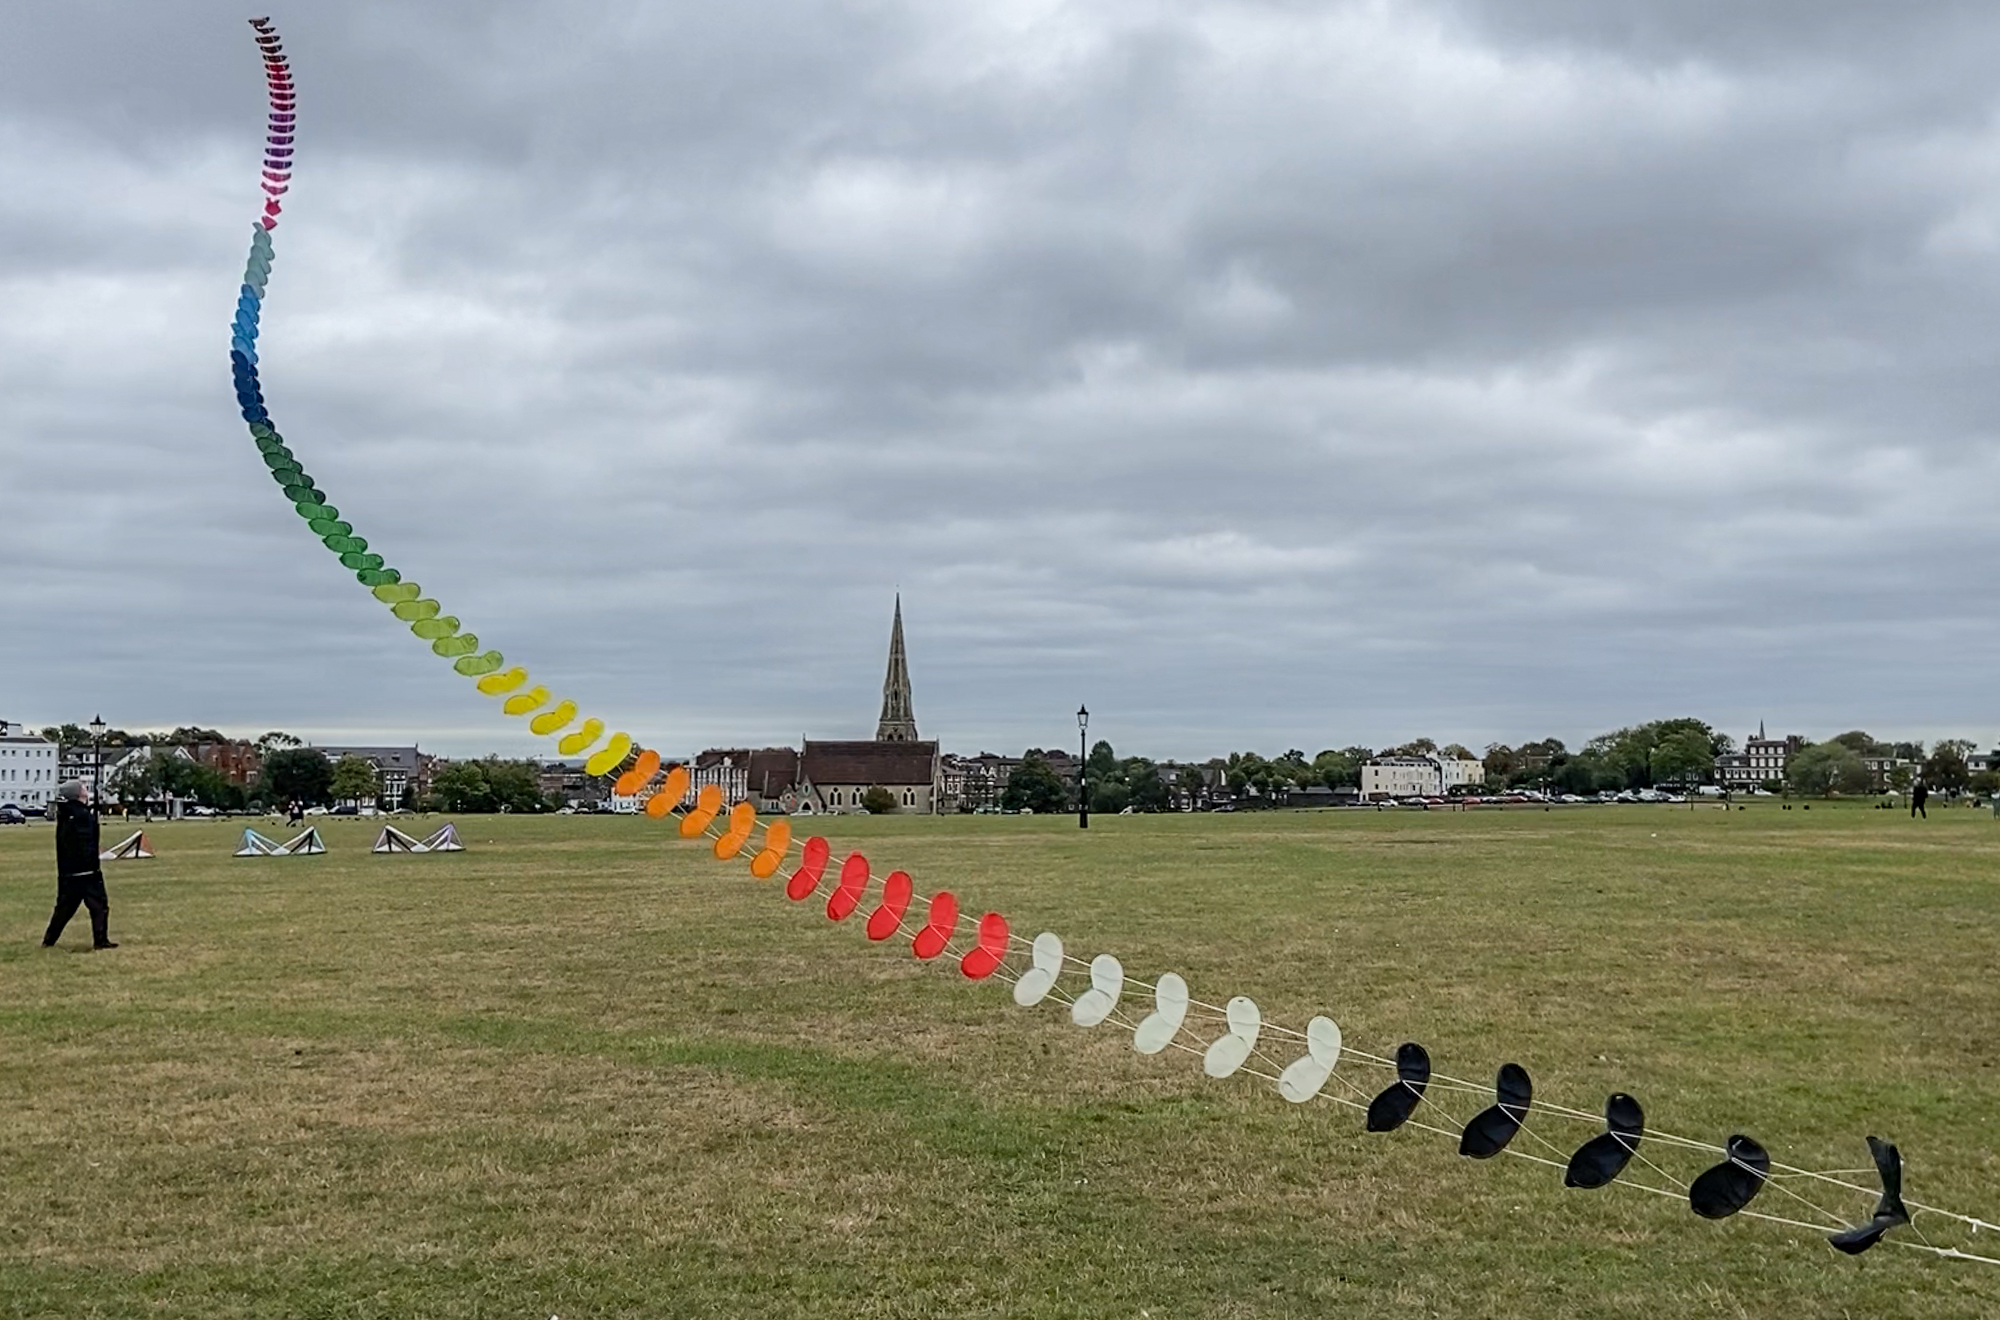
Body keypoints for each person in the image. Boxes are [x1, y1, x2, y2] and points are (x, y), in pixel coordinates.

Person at [44, 781, 116, 950]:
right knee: (99, 906)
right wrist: (93, 860)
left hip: (68, 871)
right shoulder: (82, 815)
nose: (85, 789)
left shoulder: (66, 814)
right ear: (78, 794)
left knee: (64, 909)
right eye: (83, 787)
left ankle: (49, 940)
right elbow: (85, 842)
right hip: (87, 871)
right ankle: (100, 940)